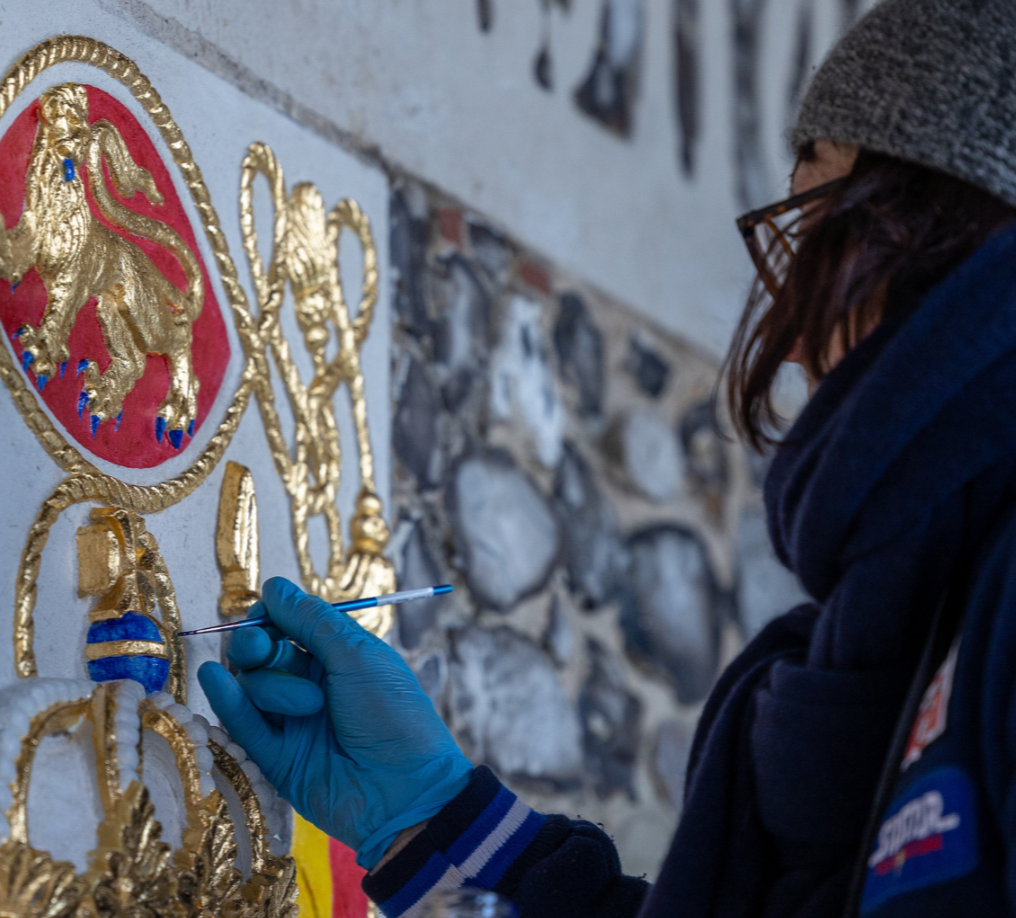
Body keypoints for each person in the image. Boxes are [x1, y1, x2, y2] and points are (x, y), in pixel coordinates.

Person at [198, 0, 1016, 914]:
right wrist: (432, 813)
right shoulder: (898, 629)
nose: (788, 337)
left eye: (814, 235)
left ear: (938, 223)